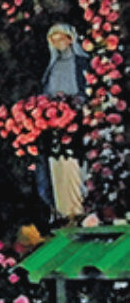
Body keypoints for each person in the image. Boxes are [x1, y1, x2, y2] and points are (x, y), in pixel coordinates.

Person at [38, 22, 91, 219]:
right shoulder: (51, 68)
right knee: (57, 166)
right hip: (55, 126)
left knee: (76, 167)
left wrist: (76, 103)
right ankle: (63, 211)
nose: (59, 42)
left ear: (70, 39)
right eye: (54, 40)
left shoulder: (82, 63)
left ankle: (80, 209)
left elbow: (88, 90)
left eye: (62, 38)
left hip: (77, 123)